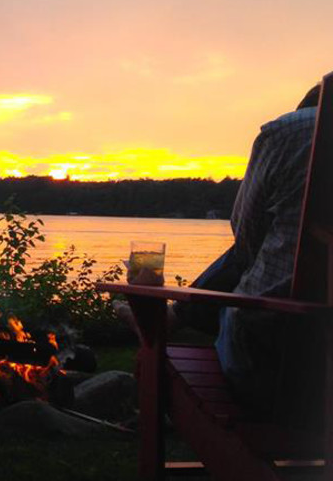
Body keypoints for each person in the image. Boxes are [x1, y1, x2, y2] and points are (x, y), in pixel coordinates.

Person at [118, 82, 322, 422]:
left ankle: (165, 320)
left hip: (277, 370)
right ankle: (170, 318)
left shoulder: (292, 130)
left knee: (246, 258)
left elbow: (246, 236)